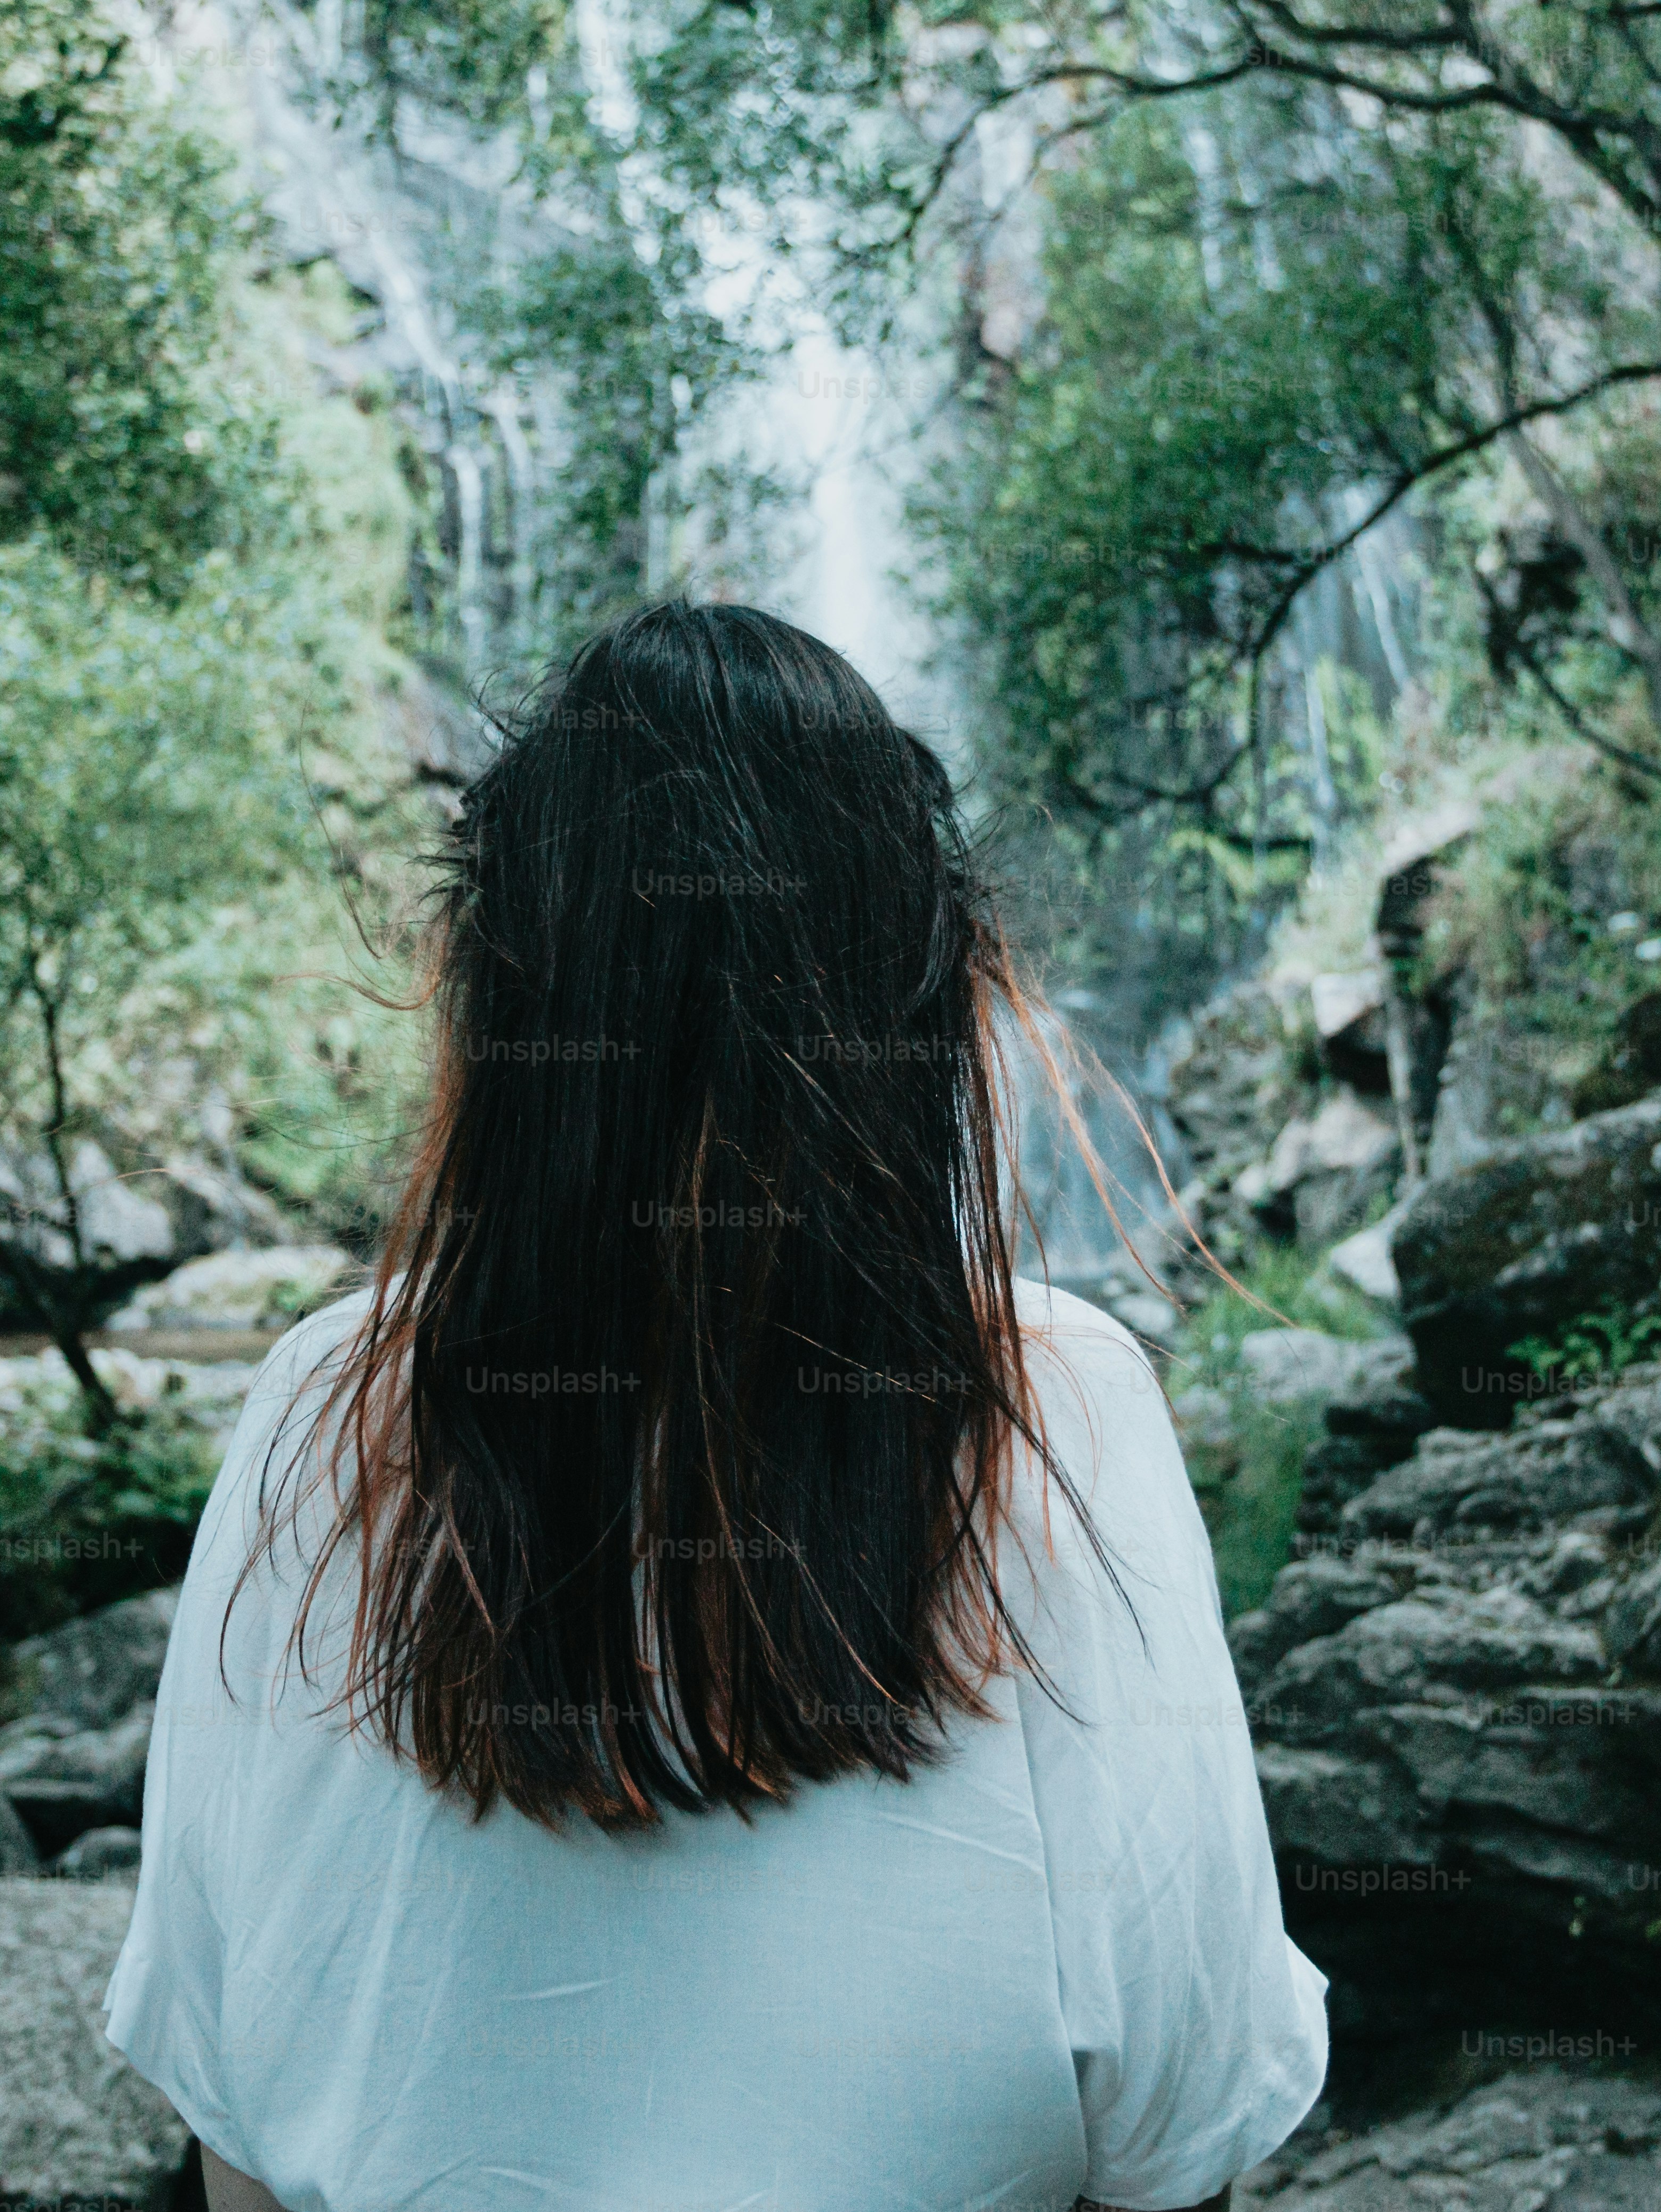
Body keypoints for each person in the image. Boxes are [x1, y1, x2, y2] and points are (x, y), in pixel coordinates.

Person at [101, 601, 1329, 2211]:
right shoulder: (1053, 1411)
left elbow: (234, 2141)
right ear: (923, 998)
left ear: (498, 1003)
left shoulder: (320, 1411)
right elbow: (1179, 2131)